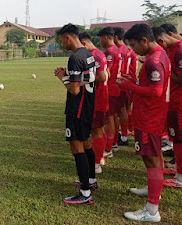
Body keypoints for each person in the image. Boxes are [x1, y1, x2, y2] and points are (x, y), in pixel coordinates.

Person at [118, 24, 170, 222]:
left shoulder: (153, 61)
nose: (132, 50)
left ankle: (152, 210)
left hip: (149, 117)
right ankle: (152, 188)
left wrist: (130, 86)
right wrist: (135, 81)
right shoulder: (158, 54)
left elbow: (156, 92)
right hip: (152, 115)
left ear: (144, 41)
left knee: (151, 159)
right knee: (154, 157)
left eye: (133, 45)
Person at [54, 24, 96, 204]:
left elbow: (74, 90)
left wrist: (62, 76)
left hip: (77, 109)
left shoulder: (75, 58)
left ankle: (85, 194)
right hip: (88, 106)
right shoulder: (88, 54)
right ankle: (91, 181)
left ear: (68, 37)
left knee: (77, 147)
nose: (61, 43)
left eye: (61, 40)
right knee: (86, 144)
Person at [153, 26, 182, 188]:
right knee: (175, 137)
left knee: (179, 139)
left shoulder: (179, 50)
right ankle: (178, 168)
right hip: (172, 100)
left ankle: (180, 178)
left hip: (178, 102)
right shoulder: (173, 49)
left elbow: (180, 78)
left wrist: (164, 71)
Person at [79, 32, 108, 173]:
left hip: (98, 98)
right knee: (98, 129)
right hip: (99, 97)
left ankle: (96, 164)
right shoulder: (97, 54)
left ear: (84, 43)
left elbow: (101, 77)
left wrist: (80, 78)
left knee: (96, 130)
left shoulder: (95, 55)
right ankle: (100, 157)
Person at [98, 27, 122, 158]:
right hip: (115, 88)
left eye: (100, 39)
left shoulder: (109, 52)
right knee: (112, 117)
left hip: (110, 88)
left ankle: (108, 148)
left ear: (105, 38)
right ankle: (113, 143)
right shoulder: (117, 50)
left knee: (109, 118)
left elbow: (107, 71)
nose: (100, 42)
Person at [114, 27, 134, 146]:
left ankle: (124, 136)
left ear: (115, 37)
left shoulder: (118, 51)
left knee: (120, 111)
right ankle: (128, 130)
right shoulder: (130, 50)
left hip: (121, 83)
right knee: (127, 108)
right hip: (129, 81)